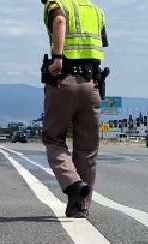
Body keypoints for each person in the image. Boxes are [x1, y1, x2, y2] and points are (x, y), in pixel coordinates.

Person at [42, 0, 108, 218]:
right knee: (87, 149)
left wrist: (58, 58)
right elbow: (100, 44)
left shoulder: (57, 4)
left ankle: (73, 183)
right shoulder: (96, 11)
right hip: (92, 85)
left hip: (64, 81)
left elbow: (60, 20)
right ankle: (81, 207)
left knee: (54, 139)